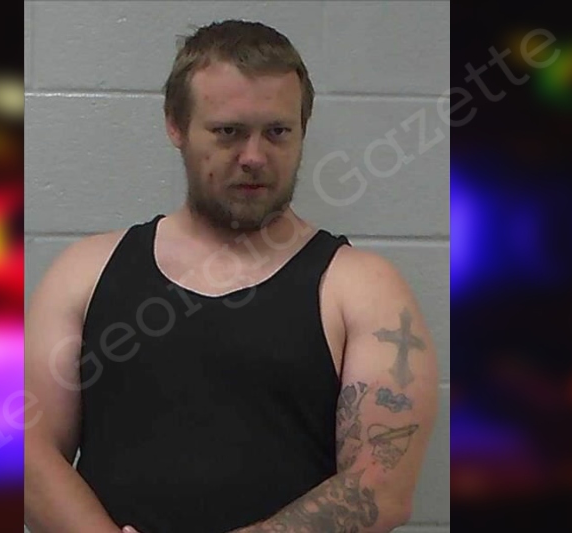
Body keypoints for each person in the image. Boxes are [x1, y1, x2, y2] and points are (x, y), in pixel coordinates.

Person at [24, 19, 439, 533]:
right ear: (176, 126)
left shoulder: (363, 289)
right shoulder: (85, 273)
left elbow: (380, 487)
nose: (254, 157)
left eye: (277, 132)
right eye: (228, 132)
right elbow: (30, 453)